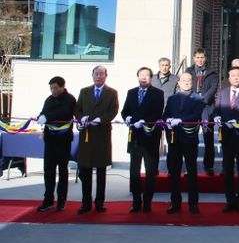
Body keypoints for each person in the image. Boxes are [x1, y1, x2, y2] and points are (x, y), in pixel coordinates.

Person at [74, 65, 119, 214]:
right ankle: (85, 202)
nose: (99, 76)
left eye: (101, 74)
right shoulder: (84, 91)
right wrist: (81, 118)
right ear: (92, 75)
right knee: (85, 170)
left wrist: (101, 119)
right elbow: (77, 109)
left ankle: (99, 202)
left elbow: (113, 110)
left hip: (102, 134)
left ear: (106, 76)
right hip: (87, 135)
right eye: (96, 74)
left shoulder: (112, 92)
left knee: (101, 170)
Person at [121, 67, 165, 213]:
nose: (144, 78)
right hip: (135, 137)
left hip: (150, 137)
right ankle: (136, 201)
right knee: (134, 172)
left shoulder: (158, 93)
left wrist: (143, 121)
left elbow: (157, 112)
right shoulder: (131, 92)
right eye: (141, 75)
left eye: (146, 75)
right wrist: (128, 118)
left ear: (151, 77)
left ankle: (147, 202)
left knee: (150, 172)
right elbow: (125, 110)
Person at [213, 66, 239, 213]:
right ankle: (230, 200)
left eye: (238, 75)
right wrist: (217, 117)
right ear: (229, 78)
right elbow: (216, 110)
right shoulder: (222, 93)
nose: (236, 78)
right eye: (233, 75)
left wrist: (236, 121)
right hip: (226, 135)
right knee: (228, 169)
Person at [164, 72, 205, 214]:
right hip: (174, 139)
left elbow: (196, 115)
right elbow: (166, 114)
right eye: (184, 80)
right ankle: (175, 203)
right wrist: (168, 121)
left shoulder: (198, 98)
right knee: (174, 172)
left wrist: (181, 120)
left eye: (189, 80)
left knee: (191, 172)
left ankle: (193, 204)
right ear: (178, 82)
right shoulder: (172, 98)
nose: (187, 82)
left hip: (189, 138)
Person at [36, 76, 76, 212]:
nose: (53, 90)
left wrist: (47, 117)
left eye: (55, 88)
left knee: (62, 170)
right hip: (50, 140)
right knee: (48, 170)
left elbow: (64, 113)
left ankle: (61, 200)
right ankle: (48, 200)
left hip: (63, 140)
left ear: (62, 87)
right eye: (51, 88)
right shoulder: (49, 99)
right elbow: (43, 112)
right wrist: (40, 117)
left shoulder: (70, 99)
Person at [186, 48, 219, 176]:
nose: (200, 60)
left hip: (207, 108)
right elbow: (186, 85)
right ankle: (190, 166)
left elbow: (213, 88)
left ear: (205, 58)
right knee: (190, 138)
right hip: (192, 107)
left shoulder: (212, 73)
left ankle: (209, 165)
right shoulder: (188, 71)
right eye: (198, 57)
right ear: (194, 58)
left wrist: (202, 100)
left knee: (208, 138)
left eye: (202, 57)